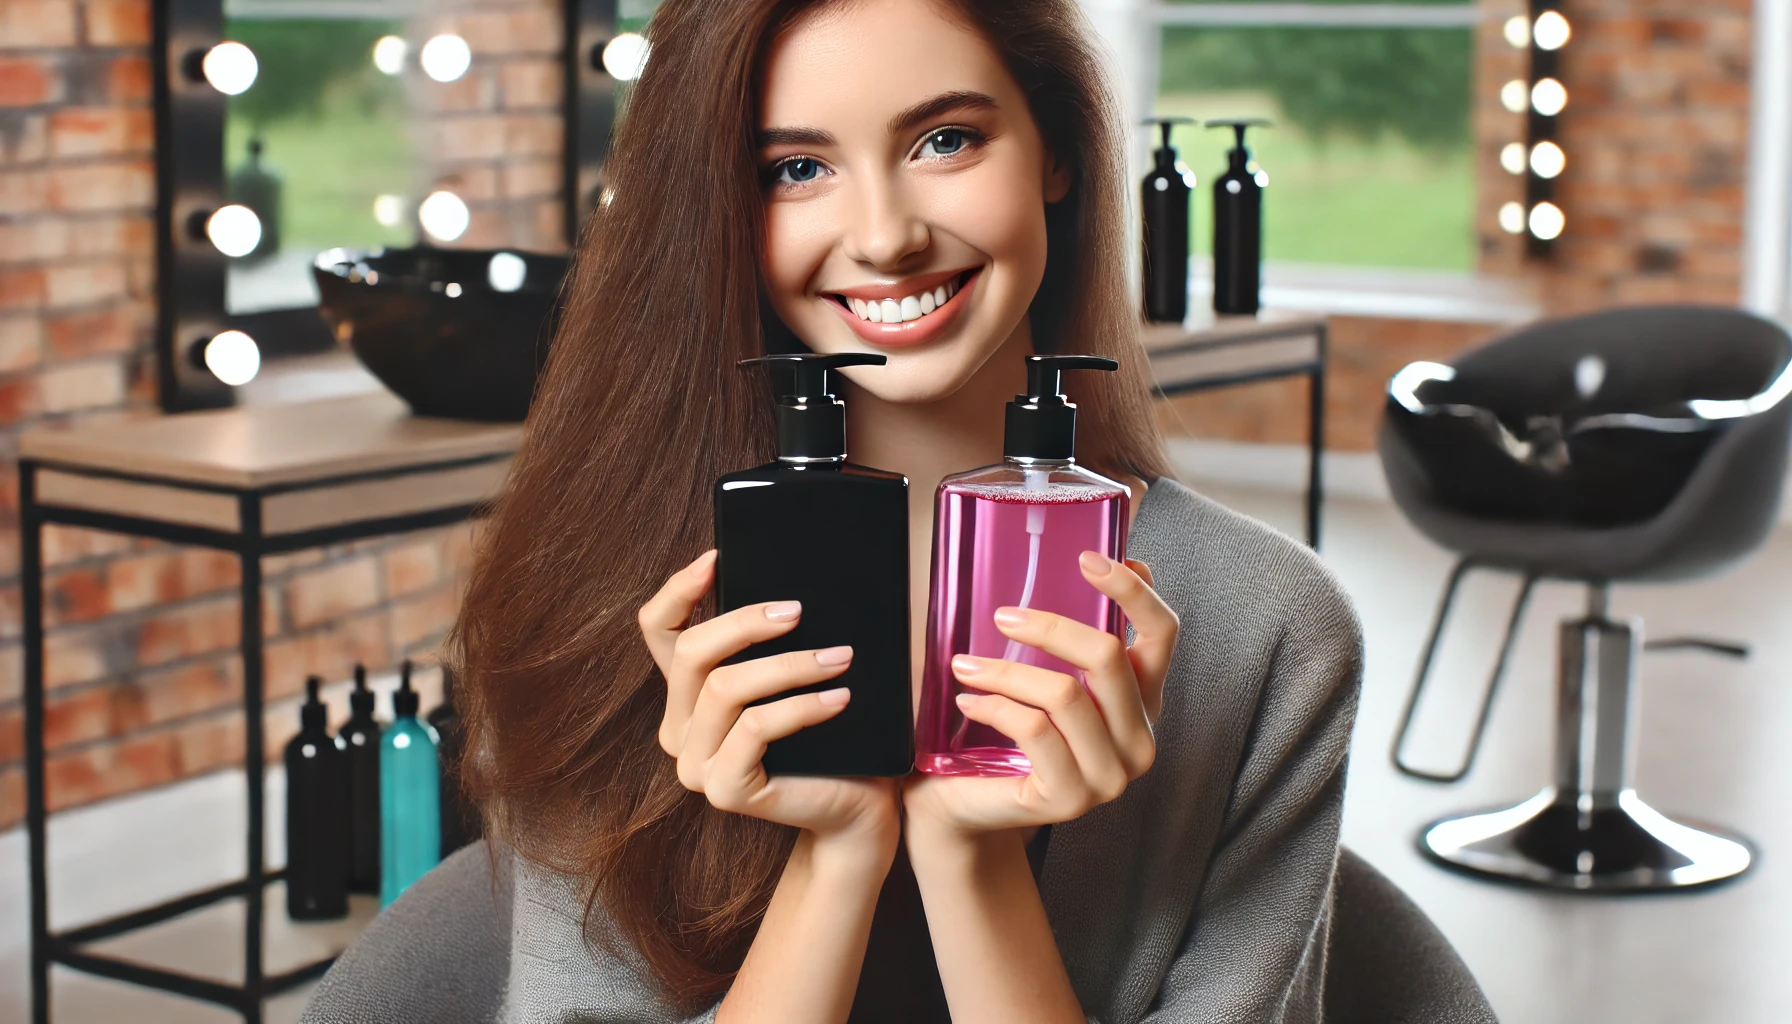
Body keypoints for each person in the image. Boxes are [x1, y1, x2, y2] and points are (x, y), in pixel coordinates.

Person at [323, 1, 1361, 1021]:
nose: (886, 236)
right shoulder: (597, 601)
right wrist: (837, 853)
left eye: (945, 139)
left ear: (1057, 152)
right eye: (796, 169)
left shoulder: (1267, 632)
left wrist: (970, 856)